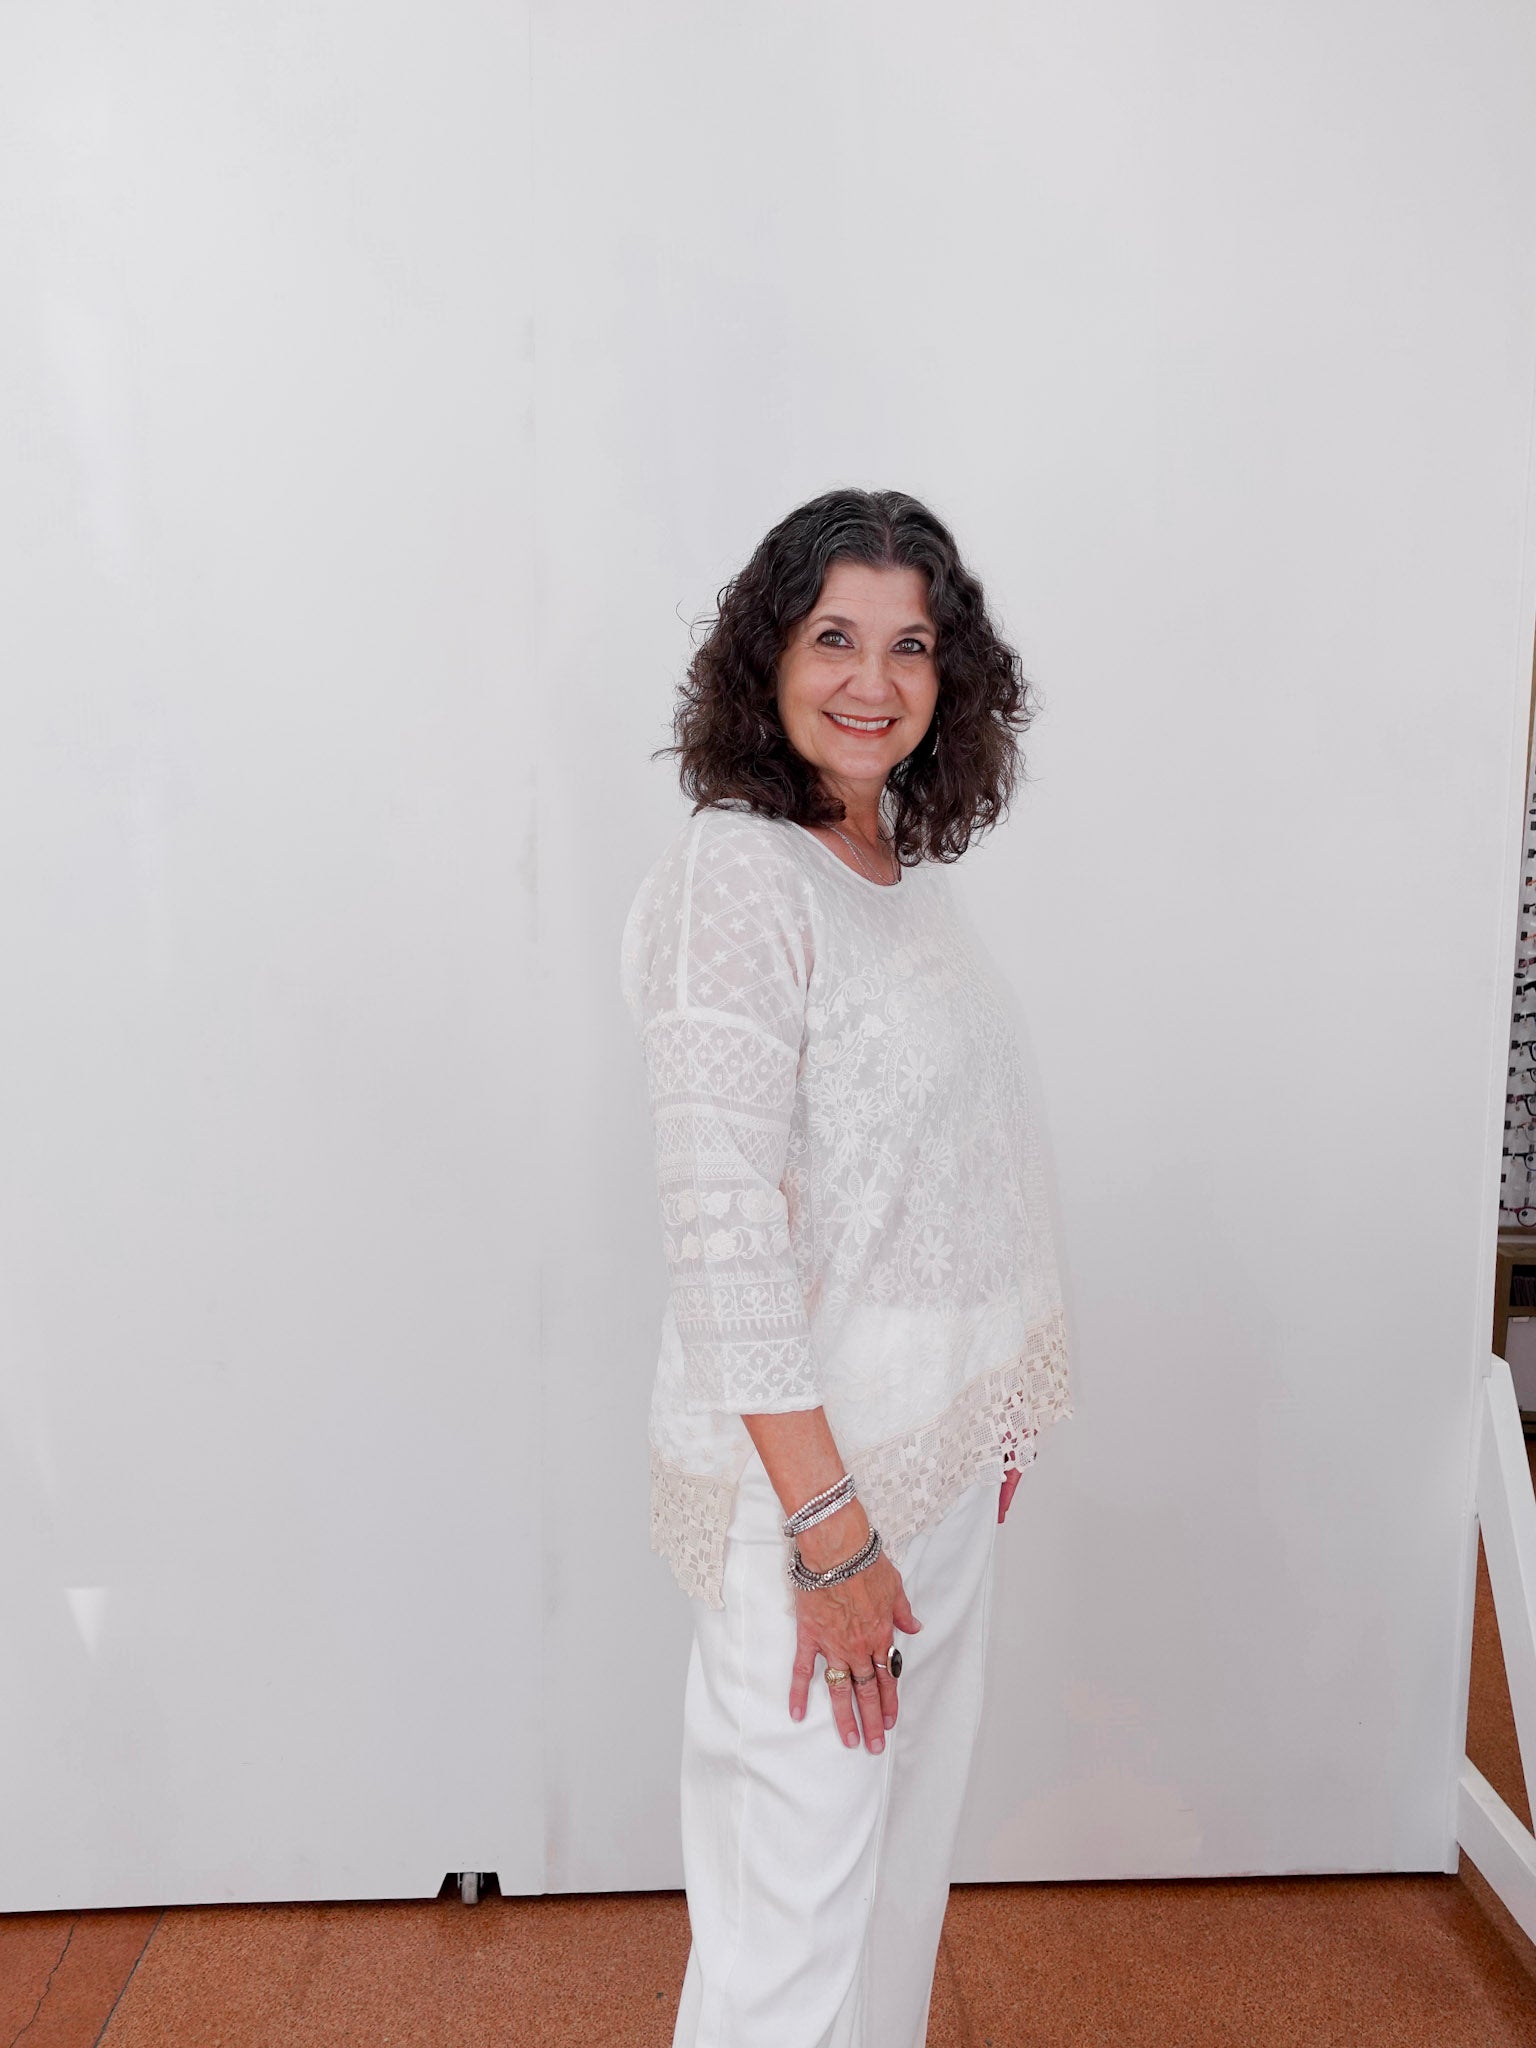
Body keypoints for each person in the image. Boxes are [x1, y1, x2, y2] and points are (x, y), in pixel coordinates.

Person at [619, 487, 1073, 2048]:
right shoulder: (737, 880)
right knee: (790, 1933)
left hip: (929, 1479)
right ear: (767, 658)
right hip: (812, 1504)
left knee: (890, 1903)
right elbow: (723, 1237)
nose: (872, 679)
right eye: (834, 638)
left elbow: (955, 1172)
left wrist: (986, 1408)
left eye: (911, 645)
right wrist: (826, 1533)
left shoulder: (899, 872)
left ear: (954, 681)